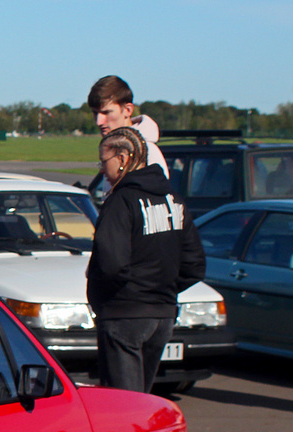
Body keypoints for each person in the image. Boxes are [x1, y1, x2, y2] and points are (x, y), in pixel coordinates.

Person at [88, 127, 205, 393]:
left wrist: (111, 299)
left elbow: (111, 264)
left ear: (123, 158)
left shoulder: (121, 202)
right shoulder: (173, 200)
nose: (102, 170)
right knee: (142, 396)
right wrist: (162, 289)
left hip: (124, 315)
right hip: (162, 315)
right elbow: (195, 264)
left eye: (104, 162)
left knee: (125, 405)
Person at [88, 76, 168, 175]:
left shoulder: (147, 152)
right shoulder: (113, 148)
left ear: (128, 110)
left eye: (106, 112)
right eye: (95, 113)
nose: (99, 122)